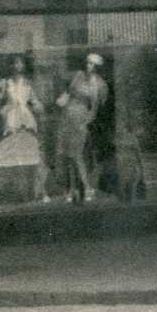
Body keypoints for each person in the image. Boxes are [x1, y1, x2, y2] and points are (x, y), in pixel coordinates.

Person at [0, 55, 46, 202]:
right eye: (15, 63)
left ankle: (38, 192)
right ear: (11, 65)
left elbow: (34, 101)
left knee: (32, 153)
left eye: (21, 63)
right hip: (11, 119)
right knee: (4, 153)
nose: (18, 66)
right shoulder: (5, 83)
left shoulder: (28, 83)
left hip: (26, 120)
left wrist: (39, 106)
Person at [55, 52, 109, 202]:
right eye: (87, 63)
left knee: (76, 155)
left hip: (80, 119)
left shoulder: (99, 84)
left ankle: (86, 187)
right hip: (66, 117)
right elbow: (66, 90)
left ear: (97, 67)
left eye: (92, 64)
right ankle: (71, 190)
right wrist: (62, 98)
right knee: (66, 155)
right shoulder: (78, 75)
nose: (88, 66)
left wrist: (85, 124)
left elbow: (95, 109)